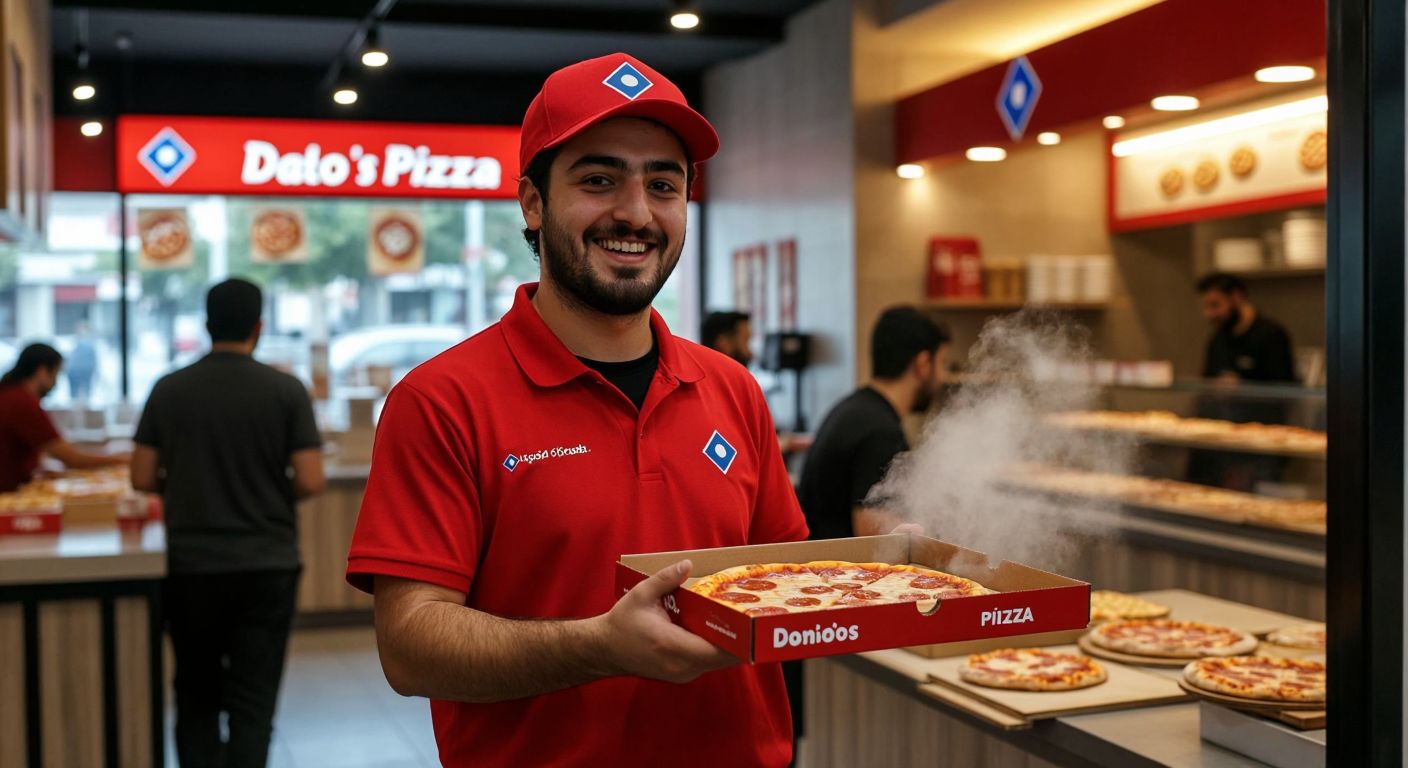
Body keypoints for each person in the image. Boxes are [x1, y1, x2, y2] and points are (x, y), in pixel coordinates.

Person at [345, 54, 809, 767]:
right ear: (532, 203)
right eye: (599, 180)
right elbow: (411, 646)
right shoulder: (441, 401)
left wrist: (897, 567)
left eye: (664, 184)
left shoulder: (731, 388)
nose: (635, 212)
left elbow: (783, 578)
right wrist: (596, 647)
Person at [131, 278, 325, 768]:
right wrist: (265, 493)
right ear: (259, 327)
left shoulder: (169, 388)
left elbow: (141, 475)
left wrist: (189, 489)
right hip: (268, 562)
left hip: (191, 565)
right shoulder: (286, 389)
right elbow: (311, 478)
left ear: (205, 325)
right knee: (253, 698)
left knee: (195, 692)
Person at [798, 306, 950, 540]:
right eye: (941, 364)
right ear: (922, 364)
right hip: (839, 571)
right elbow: (874, 534)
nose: (942, 377)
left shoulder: (853, 409)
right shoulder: (880, 432)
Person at [0, 343, 128, 493]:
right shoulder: (22, 402)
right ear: (42, 371)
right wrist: (122, 460)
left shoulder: (9, 394)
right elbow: (71, 458)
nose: (56, 383)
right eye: (56, 375)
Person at [1198, 273, 1296, 384]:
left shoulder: (1271, 335)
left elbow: (1283, 389)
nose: (1209, 314)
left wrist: (1240, 384)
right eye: (1206, 307)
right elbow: (1205, 385)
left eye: (1215, 305)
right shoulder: (1217, 340)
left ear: (1236, 297)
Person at [66, 320, 98, 403]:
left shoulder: (89, 344)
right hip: (74, 373)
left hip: (86, 372)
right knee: (74, 398)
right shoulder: (76, 342)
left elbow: (93, 360)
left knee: (86, 396)